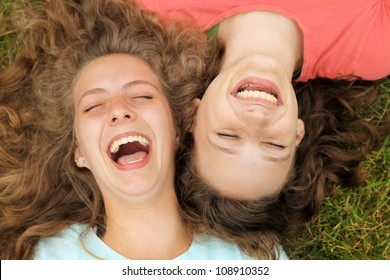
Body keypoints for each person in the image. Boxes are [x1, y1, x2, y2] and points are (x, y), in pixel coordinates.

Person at [0, 0, 271, 260]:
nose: (119, 109)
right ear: (79, 152)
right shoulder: (45, 262)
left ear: (179, 127)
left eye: (142, 96)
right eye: (93, 105)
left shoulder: (251, 258)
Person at [136, 0, 390, 257]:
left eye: (227, 135)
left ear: (192, 115)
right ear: (297, 134)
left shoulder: (160, 10)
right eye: (274, 144)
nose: (256, 119)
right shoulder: (371, 47)